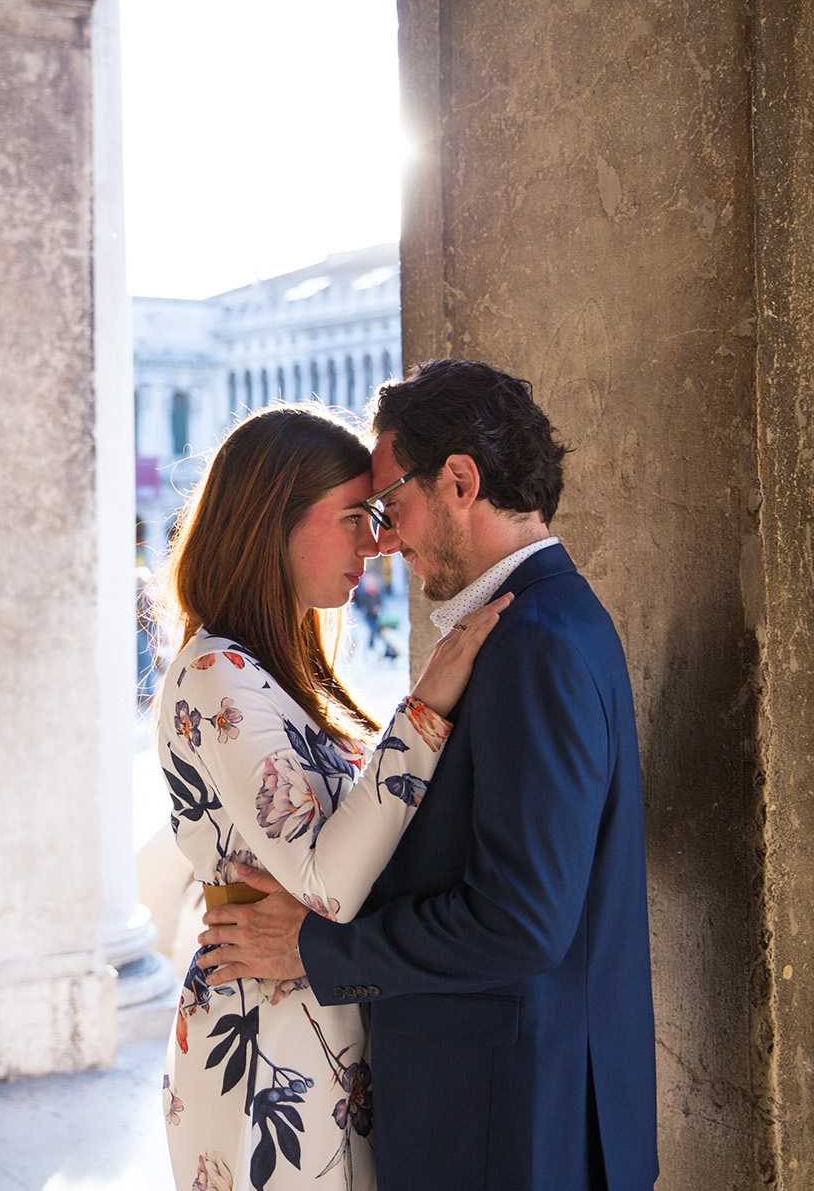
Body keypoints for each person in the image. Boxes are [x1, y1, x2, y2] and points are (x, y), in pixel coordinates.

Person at [198, 360, 659, 1190]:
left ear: (459, 481)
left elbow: (521, 920)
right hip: (516, 1117)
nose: (385, 538)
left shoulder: (534, 645)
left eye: (389, 505)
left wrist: (316, 948)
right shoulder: (542, 623)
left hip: (508, 1132)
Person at [153, 404, 511, 1191]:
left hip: (319, 1025)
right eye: (352, 517)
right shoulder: (217, 674)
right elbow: (327, 879)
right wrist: (426, 706)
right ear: (269, 522)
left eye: (376, 516)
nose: (374, 541)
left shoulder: (275, 676)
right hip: (264, 1046)